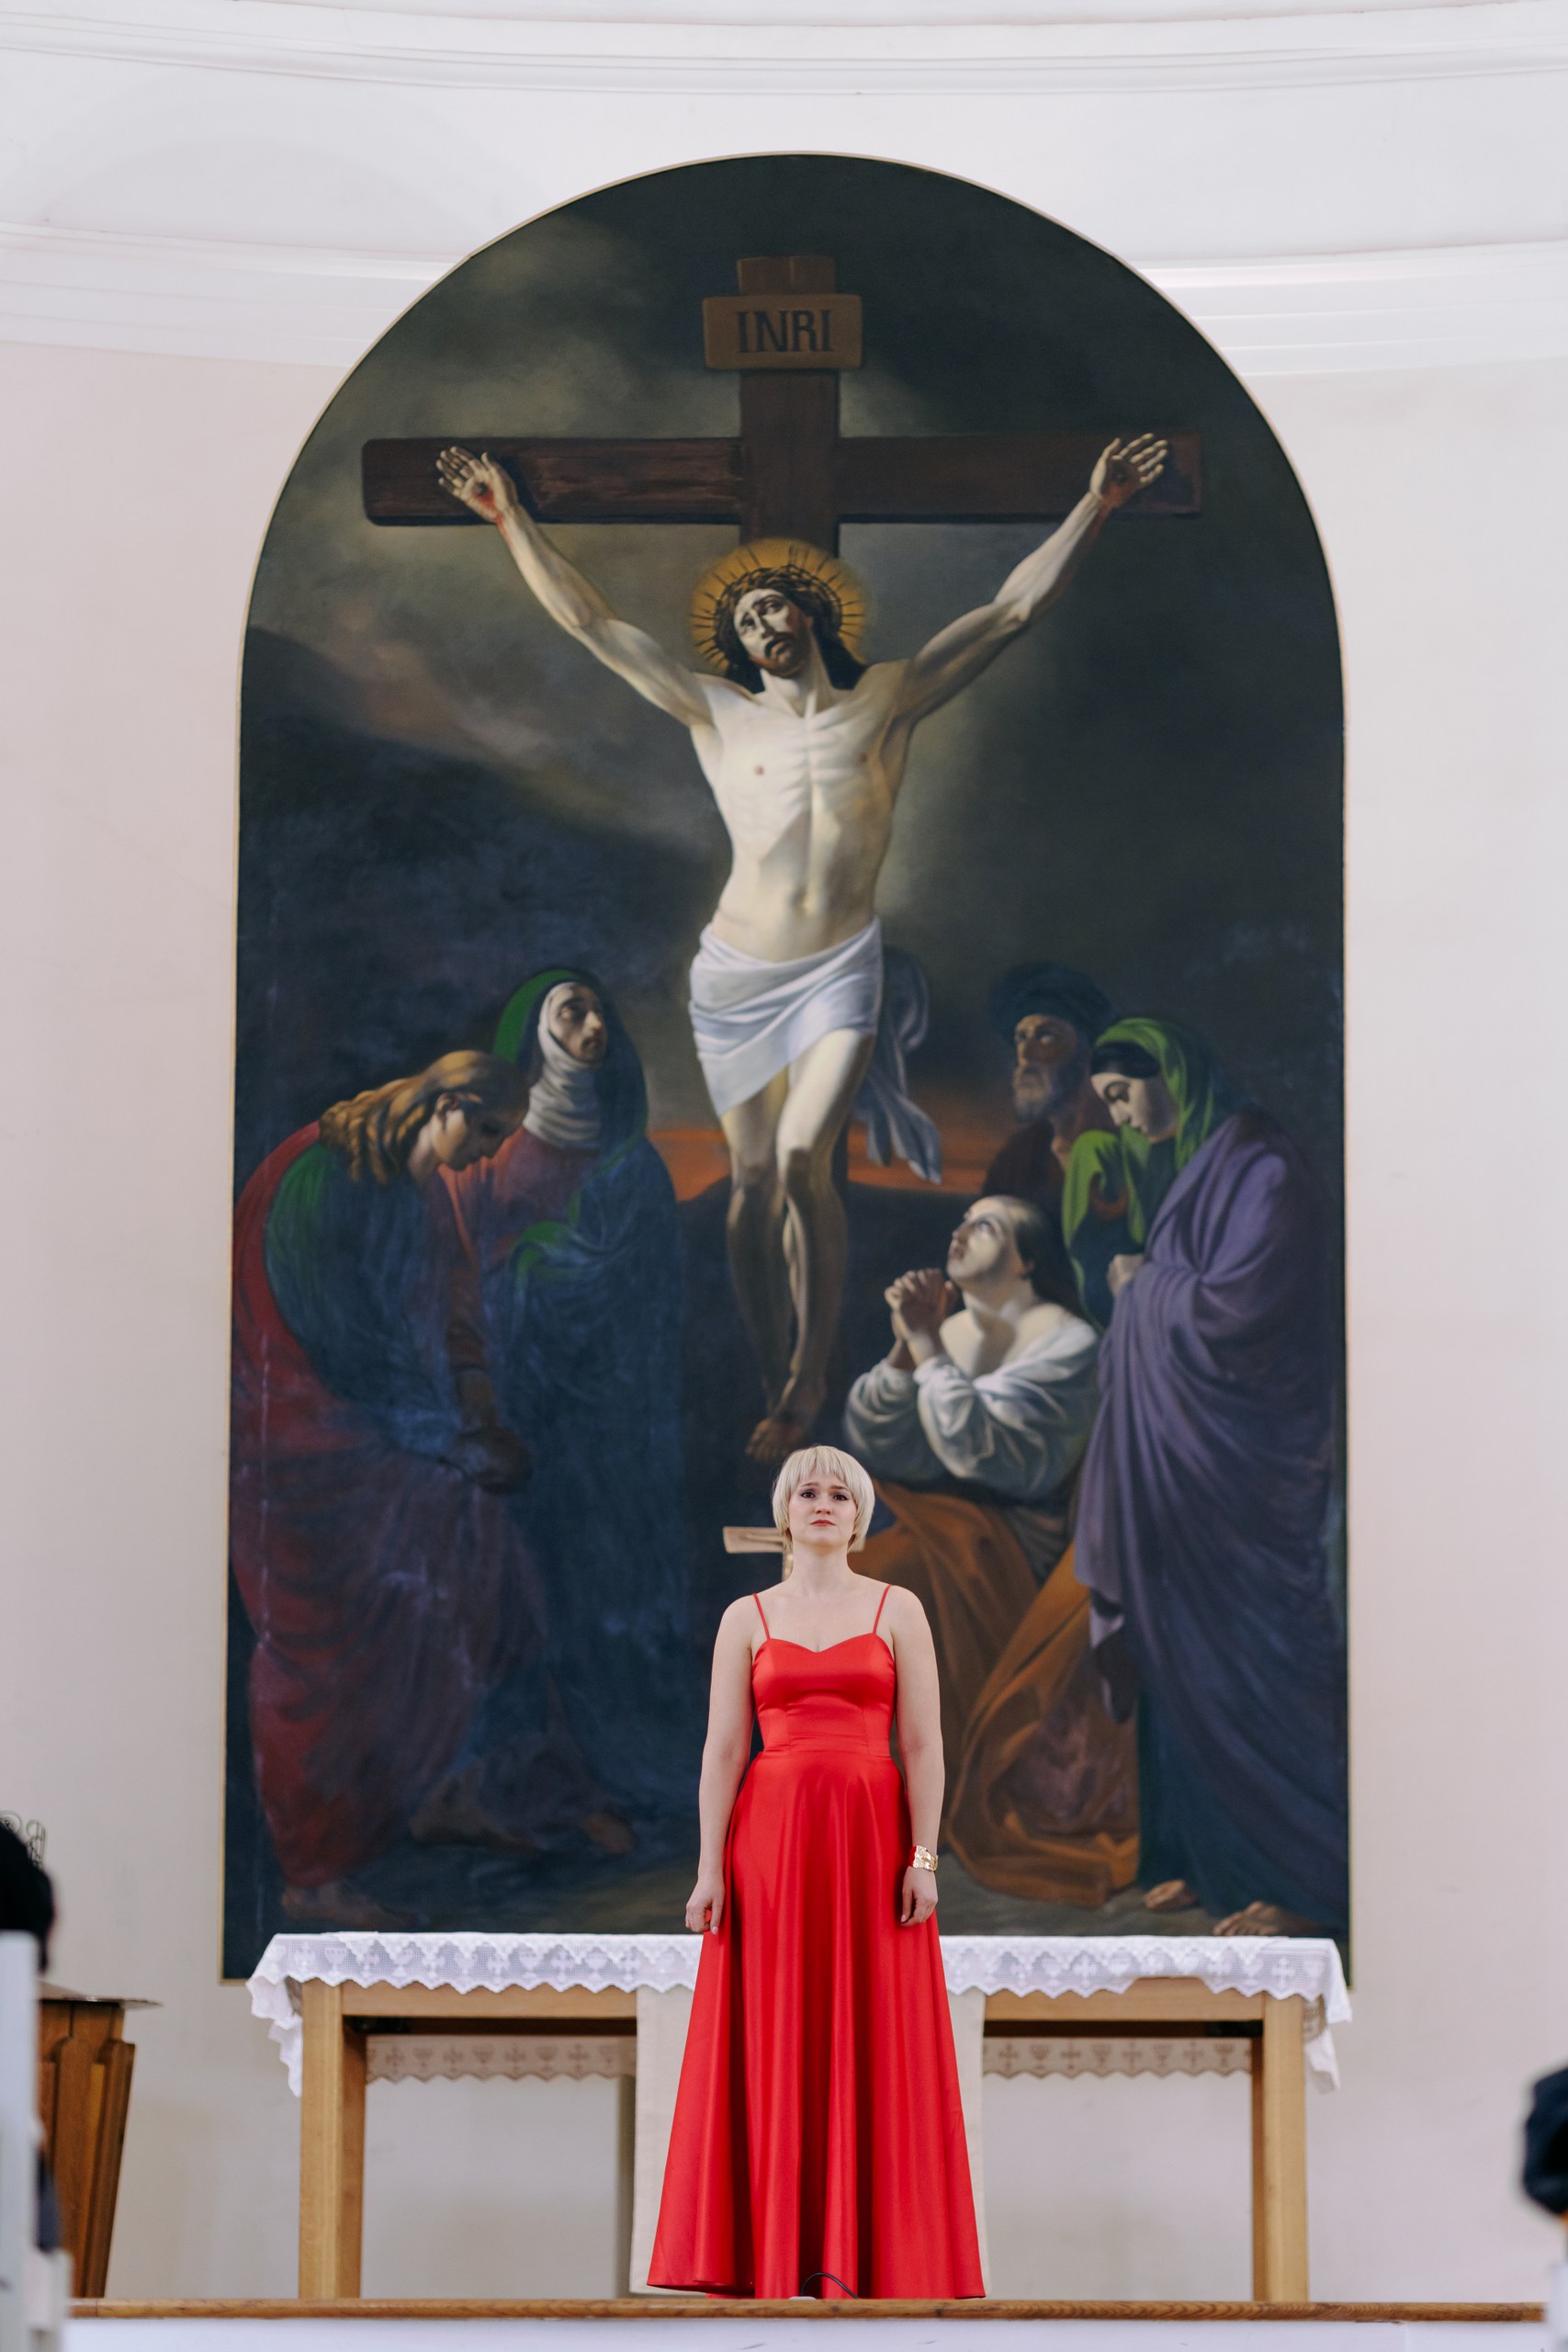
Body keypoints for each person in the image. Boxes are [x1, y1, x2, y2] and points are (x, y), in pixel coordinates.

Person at [436, 435, 1168, 1463]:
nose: (759, 625)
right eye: (742, 619)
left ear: (808, 614)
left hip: (838, 966)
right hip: (738, 973)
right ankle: (766, 1357)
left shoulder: (888, 698)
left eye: (771, 607)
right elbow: (592, 623)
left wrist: (1096, 505)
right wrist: (509, 517)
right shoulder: (715, 711)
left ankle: (807, 1377)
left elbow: (1010, 611)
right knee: (748, 1181)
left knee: (799, 1160)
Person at [230, 1049, 614, 1925]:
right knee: (323, 1657)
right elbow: (343, 1348)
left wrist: (472, 1421)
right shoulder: (322, 1180)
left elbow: (443, 1314)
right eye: (485, 1130)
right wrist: (454, 1442)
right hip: (307, 1456)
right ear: (444, 1104)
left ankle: (458, 1788)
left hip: (395, 1444)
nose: (486, 1153)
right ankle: (313, 1874)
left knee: (491, 1575)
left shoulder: (415, 1191)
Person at [649, 1446, 983, 2300]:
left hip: (872, 1845)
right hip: (769, 1848)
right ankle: (769, 2258)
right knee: (775, 2034)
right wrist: (708, 1870)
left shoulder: (898, 1607)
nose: (824, 1503)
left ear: (860, 1517)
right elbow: (724, 1749)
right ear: (785, 1512)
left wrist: (923, 1857)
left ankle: (876, 2260)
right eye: (808, 1491)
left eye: (841, 1493)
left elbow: (923, 1745)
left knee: (874, 2034)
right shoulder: (746, 1616)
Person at [1075, 1018, 1349, 1936]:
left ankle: (1294, 1879)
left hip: (1243, 1467)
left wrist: (1142, 1286)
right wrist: (1150, 1281)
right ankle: (1202, 1857)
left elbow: (1245, 1310)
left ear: (1172, 1073)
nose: (1120, 1117)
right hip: (1181, 1461)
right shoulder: (1201, 1166)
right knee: (1173, 1644)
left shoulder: (1262, 1165)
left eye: (1123, 1094)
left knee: (1251, 1659)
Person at [444, 970, 700, 1828]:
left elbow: (653, 1303)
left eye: (598, 1012)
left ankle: (613, 1761)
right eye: (571, 1012)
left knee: (606, 1584)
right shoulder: (492, 1157)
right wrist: (536, 1275)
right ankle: (523, 1774)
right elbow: (460, 1276)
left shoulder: (634, 1165)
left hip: (612, 1424)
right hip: (520, 1408)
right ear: (536, 1035)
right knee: (520, 1586)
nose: (592, 1027)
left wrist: (564, 1273)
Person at [843, 1198, 1136, 1906]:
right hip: (959, 1531)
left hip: (1030, 1551)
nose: (961, 1232)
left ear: (1026, 1260)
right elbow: (883, 1445)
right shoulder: (945, 1332)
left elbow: (991, 1458)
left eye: (986, 1226)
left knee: (890, 1579)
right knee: (868, 1586)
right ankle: (883, 1806)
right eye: (963, 1221)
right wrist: (905, 1347)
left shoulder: (1067, 1342)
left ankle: (941, 1797)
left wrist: (927, 1349)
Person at [981, 962, 1142, 1329]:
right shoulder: (1018, 1158)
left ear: (1087, 1051)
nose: (1026, 1055)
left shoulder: (1134, 1143)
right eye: (1021, 1038)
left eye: (1047, 1037)